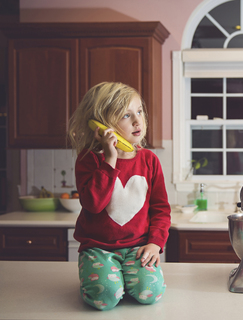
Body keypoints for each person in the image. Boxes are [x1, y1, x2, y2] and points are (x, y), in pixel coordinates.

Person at [68, 82, 171, 311]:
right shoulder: (89, 160)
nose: (137, 121)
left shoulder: (149, 161)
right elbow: (93, 204)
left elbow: (161, 209)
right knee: (103, 298)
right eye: (126, 115)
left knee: (149, 293)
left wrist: (155, 243)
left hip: (139, 246)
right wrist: (110, 160)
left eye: (139, 111)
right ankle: (106, 277)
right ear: (101, 125)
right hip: (98, 248)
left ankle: (123, 280)